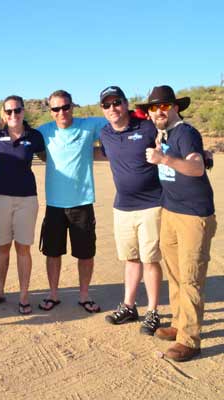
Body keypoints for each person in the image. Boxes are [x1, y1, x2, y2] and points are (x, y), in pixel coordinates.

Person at [142, 85, 217, 361]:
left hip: (193, 216)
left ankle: (189, 339)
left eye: (164, 106)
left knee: (190, 277)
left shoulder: (186, 133)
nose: (158, 111)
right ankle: (178, 322)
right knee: (173, 273)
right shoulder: (164, 133)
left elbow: (196, 167)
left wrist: (164, 159)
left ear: (175, 107)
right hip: (171, 212)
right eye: (153, 107)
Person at [96, 86, 163, 335]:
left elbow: (170, 135)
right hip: (122, 206)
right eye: (107, 104)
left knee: (150, 260)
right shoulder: (105, 134)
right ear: (102, 109)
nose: (112, 108)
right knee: (131, 258)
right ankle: (129, 306)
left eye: (117, 103)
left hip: (152, 204)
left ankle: (153, 311)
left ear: (125, 104)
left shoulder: (146, 127)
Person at [36, 90, 107, 313]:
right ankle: (53, 294)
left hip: (82, 203)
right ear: (51, 111)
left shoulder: (89, 126)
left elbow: (120, 120)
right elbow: (30, 145)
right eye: (56, 109)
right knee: (52, 252)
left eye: (65, 107)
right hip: (54, 204)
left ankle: (84, 296)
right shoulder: (43, 131)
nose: (62, 112)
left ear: (72, 106)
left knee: (85, 254)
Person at [0, 96, 45, 315]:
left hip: (27, 199)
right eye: (9, 112)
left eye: (17, 111)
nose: (13, 115)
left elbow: (47, 157)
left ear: (23, 111)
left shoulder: (34, 136)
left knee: (23, 248)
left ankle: (24, 295)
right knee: (2, 247)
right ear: (3, 113)